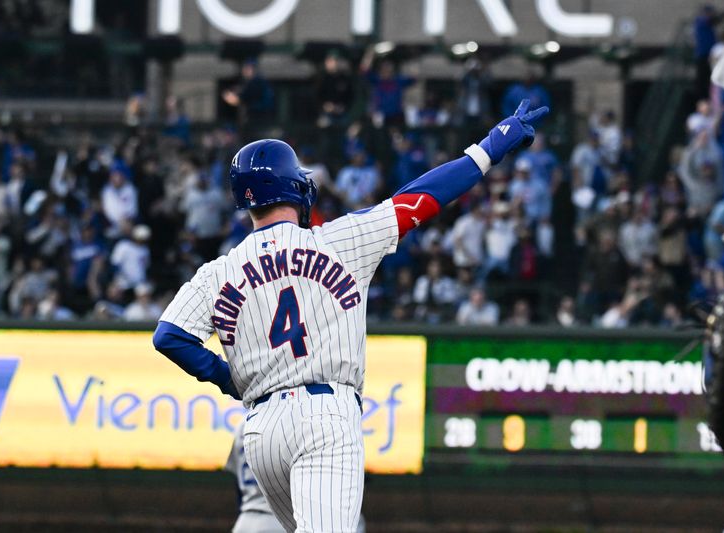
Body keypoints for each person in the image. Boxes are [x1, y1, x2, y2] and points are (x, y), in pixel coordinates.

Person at [152, 99, 548, 531]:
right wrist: (489, 148)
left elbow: (169, 335)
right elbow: (421, 198)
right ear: (294, 187)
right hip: (324, 415)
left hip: (260, 431)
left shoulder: (219, 271)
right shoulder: (339, 240)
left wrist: (226, 377)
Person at [226, 420, 366, 533]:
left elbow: (237, 483)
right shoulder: (305, 422)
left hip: (245, 521)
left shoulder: (244, 425)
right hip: (281, 523)